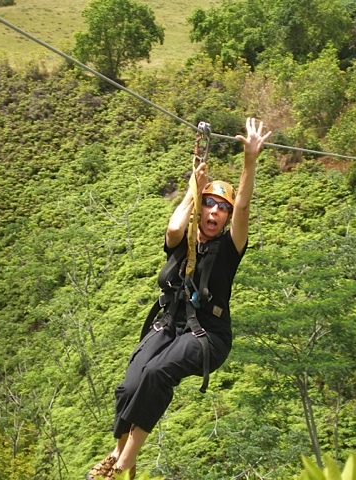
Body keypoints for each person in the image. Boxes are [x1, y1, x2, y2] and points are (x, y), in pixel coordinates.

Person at [86, 118, 272, 480]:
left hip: (209, 334)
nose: (214, 212)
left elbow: (245, 208)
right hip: (168, 324)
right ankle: (121, 453)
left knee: (156, 373)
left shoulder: (229, 248)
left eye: (222, 208)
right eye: (209, 205)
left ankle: (122, 463)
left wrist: (249, 160)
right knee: (130, 383)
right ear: (200, 209)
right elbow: (173, 228)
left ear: (227, 217)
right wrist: (192, 189)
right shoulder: (182, 239)